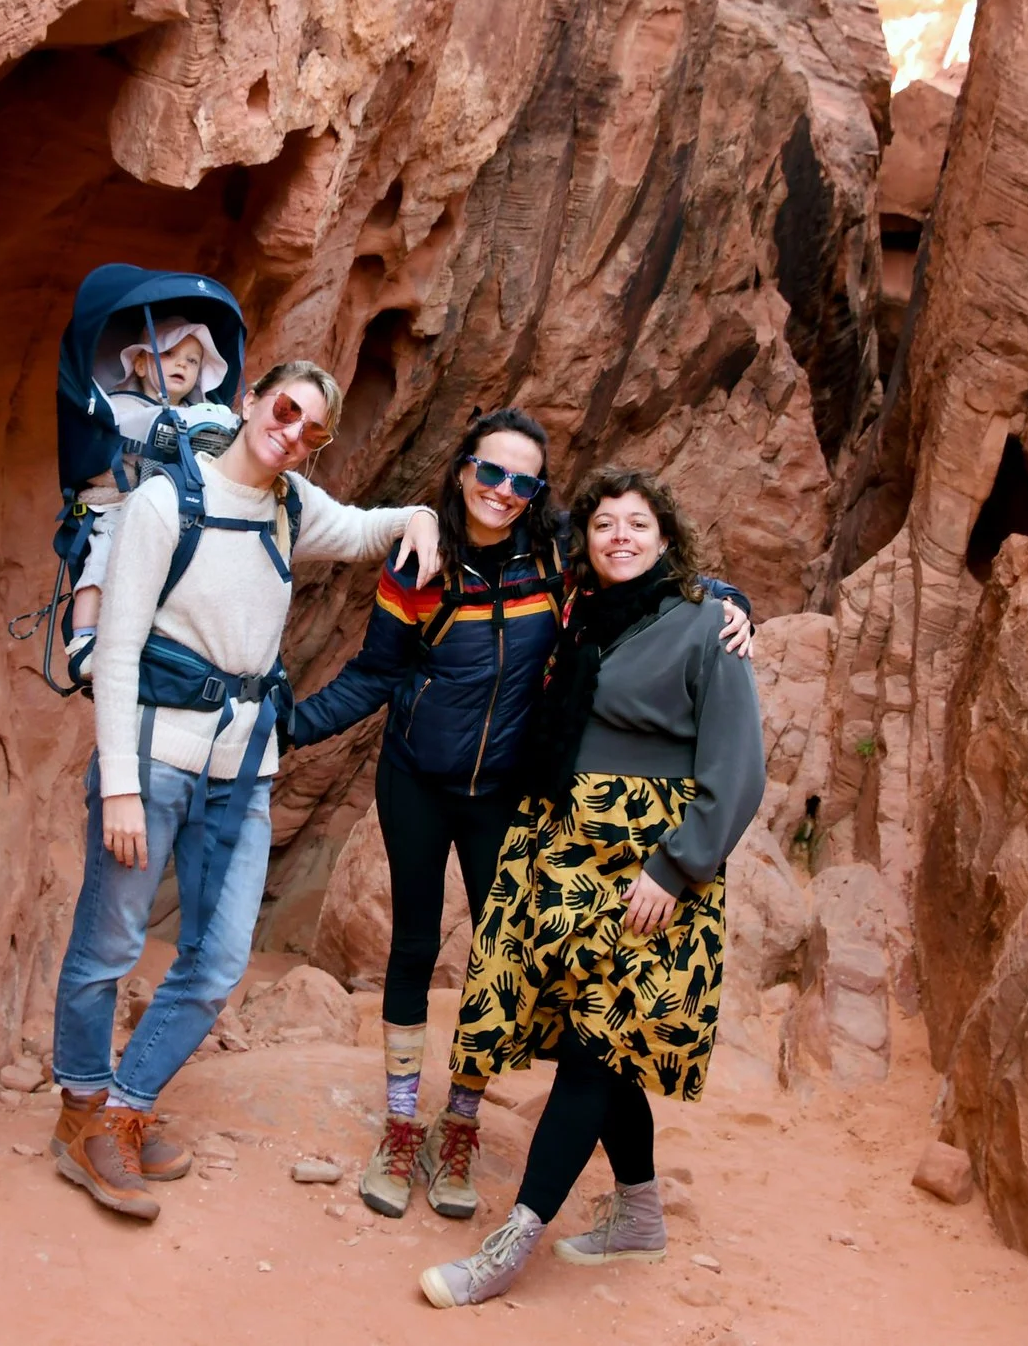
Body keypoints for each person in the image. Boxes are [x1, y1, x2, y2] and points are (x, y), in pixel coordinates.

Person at [288, 412, 756, 1221]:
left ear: (538, 491)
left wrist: (729, 598)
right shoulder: (420, 561)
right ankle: (403, 1125)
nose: (503, 491)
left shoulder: (553, 561)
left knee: (497, 956)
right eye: (489, 472)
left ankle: (461, 1121)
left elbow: (640, 566)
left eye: (522, 480)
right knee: (413, 946)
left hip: (503, 790)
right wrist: (287, 727)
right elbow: (374, 673)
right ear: (464, 469)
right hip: (416, 778)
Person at [48, 361, 442, 1223]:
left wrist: (423, 517)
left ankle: (124, 1102)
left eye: (313, 430)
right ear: (250, 400)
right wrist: (117, 784)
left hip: (244, 768)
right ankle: (83, 1114)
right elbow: (116, 650)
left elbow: (372, 527)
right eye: (286, 409)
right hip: (152, 759)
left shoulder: (294, 506)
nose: (293, 432)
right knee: (110, 943)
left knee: (219, 957)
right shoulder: (165, 505)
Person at [416, 468, 764, 1308]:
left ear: (664, 538)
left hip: (651, 870)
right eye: (605, 523)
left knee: (592, 1049)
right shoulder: (579, 616)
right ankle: (641, 1216)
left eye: (638, 524)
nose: (619, 536)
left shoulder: (704, 627)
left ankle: (514, 1239)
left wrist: (676, 868)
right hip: (570, 858)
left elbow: (738, 769)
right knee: (598, 1045)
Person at [67, 318, 242, 654]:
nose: (182, 364)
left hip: (178, 513)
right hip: (121, 505)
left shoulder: (202, 415)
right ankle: (84, 637)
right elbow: (98, 463)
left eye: (192, 361)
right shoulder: (119, 407)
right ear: (142, 363)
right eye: (170, 353)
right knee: (104, 556)